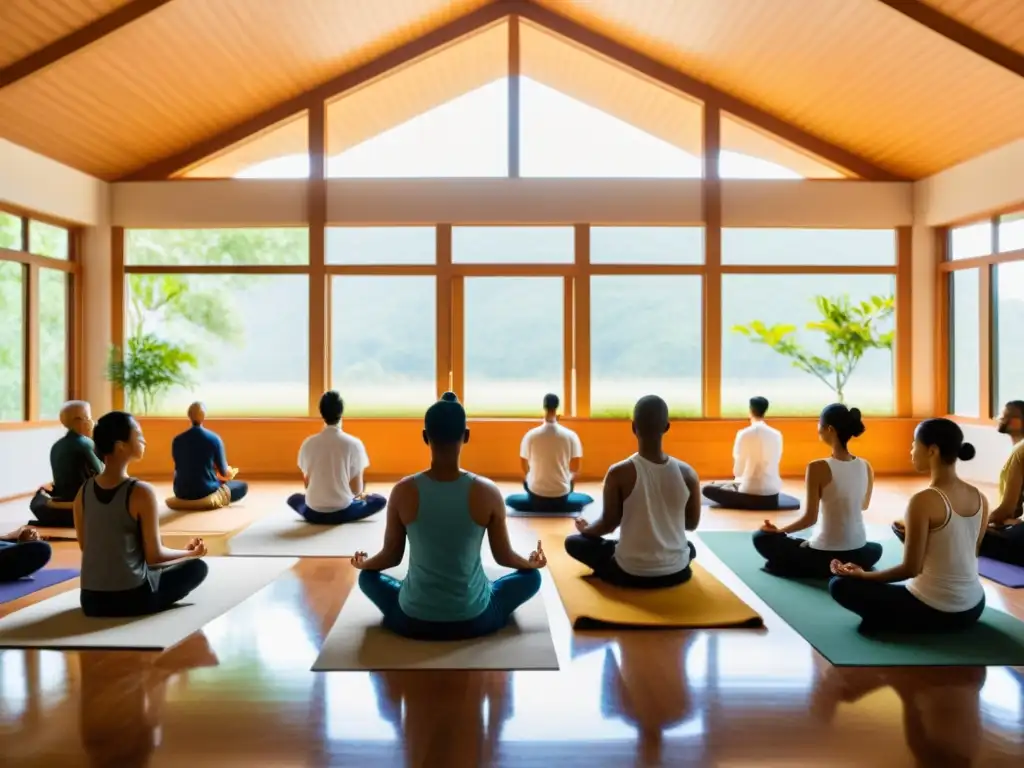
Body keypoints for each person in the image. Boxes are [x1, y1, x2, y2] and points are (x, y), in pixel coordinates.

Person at [352, 392, 546, 640]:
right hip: (474, 620)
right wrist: (530, 564)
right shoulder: (487, 491)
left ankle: (408, 604)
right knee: (532, 578)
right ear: (466, 436)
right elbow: (503, 557)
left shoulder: (403, 490)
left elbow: (390, 556)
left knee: (367, 578)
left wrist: (363, 564)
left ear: (425, 437)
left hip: (412, 621)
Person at [829, 418, 987, 633]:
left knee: (840, 585)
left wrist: (862, 575)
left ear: (932, 450)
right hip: (973, 606)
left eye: (914, 443)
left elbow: (910, 569)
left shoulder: (923, 500)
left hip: (936, 609)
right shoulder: (981, 497)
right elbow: (969, 550)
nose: (911, 450)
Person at [75, 411, 209, 617]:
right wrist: (190, 554)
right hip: (132, 598)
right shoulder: (140, 491)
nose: (144, 439)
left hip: (90, 601)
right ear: (121, 446)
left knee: (158, 571)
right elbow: (154, 556)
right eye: (138, 435)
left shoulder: (83, 491)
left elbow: (86, 546)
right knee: (197, 568)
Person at [564, 395, 701, 589]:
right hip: (677, 573)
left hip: (629, 573)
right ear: (667, 427)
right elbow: (691, 524)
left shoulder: (618, 473)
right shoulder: (688, 473)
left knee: (574, 542)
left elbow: (608, 524)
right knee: (689, 548)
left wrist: (586, 530)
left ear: (633, 427)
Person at [751, 404, 882, 578]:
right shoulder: (866, 466)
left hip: (824, 556)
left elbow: (810, 518)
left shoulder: (817, 467)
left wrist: (780, 531)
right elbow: (863, 506)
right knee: (876, 548)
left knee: (760, 537)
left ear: (830, 429)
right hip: (861, 553)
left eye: (819, 424)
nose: (818, 429)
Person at [289, 391, 386, 525]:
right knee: (380, 501)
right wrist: (362, 496)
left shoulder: (308, 443)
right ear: (341, 412)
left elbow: (307, 484)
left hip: (313, 513)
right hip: (343, 512)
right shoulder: (354, 444)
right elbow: (356, 490)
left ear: (321, 412)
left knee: (294, 499)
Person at [504, 393, 594, 513]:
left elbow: (524, 468)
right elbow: (576, 469)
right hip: (561, 496)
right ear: (557, 409)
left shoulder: (530, 436)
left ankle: (538, 504)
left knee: (510, 500)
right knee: (587, 499)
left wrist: (534, 478)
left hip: (536, 496)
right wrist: (566, 479)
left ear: (544, 408)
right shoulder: (571, 436)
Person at [702, 396, 784, 511]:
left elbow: (738, 472)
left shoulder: (743, 434)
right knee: (724, 484)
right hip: (772, 494)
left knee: (707, 489)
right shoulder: (777, 435)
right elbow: (776, 461)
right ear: (765, 411)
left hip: (749, 493)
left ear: (750, 410)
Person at [29, 400, 102, 527]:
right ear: (79, 420)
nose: (92, 422)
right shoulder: (86, 444)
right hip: (81, 505)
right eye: (89, 418)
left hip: (60, 502)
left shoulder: (56, 446)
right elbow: (103, 473)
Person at [170, 402, 248, 506]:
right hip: (206, 491)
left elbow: (180, 466)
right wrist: (228, 473)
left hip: (181, 491)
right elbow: (224, 472)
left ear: (189, 416)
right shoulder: (214, 439)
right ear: (204, 416)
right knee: (241, 486)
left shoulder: (177, 440)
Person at [978, 400, 1024, 566]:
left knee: (966, 535)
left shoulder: (1019, 452)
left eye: (1005, 416)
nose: (1000, 419)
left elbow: (1007, 510)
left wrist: (982, 523)